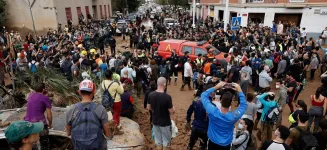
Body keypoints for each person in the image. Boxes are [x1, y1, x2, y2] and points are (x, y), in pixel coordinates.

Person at [65, 79, 111, 149]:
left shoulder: (70, 110)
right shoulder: (100, 109)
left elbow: (68, 133)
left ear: (79, 92)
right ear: (94, 92)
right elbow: (108, 134)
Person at [201, 82, 247, 150]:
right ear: (231, 102)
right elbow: (243, 105)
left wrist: (216, 87)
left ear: (221, 100)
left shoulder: (212, 111)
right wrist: (239, 90)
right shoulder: (234, 115)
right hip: (226, 144)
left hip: (213, 142)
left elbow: (203, 95)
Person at [147, 77, 175, 150]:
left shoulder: (151, 94)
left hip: (155, 121)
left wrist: (155, 109)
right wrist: (173, 108)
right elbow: (172, 111)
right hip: (165, 122)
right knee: (166, 141)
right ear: (165, 84)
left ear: (157, 84)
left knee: (158, 141)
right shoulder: (167, 97)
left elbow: (148, 108)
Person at [24, 82, 52, 150]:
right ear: (43, 89)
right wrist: (50, 124)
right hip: (40, 123)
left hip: (28, 123)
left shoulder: (30, 95)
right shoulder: (45, 98)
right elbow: (49, 114)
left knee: (32, 143)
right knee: (45, 144)